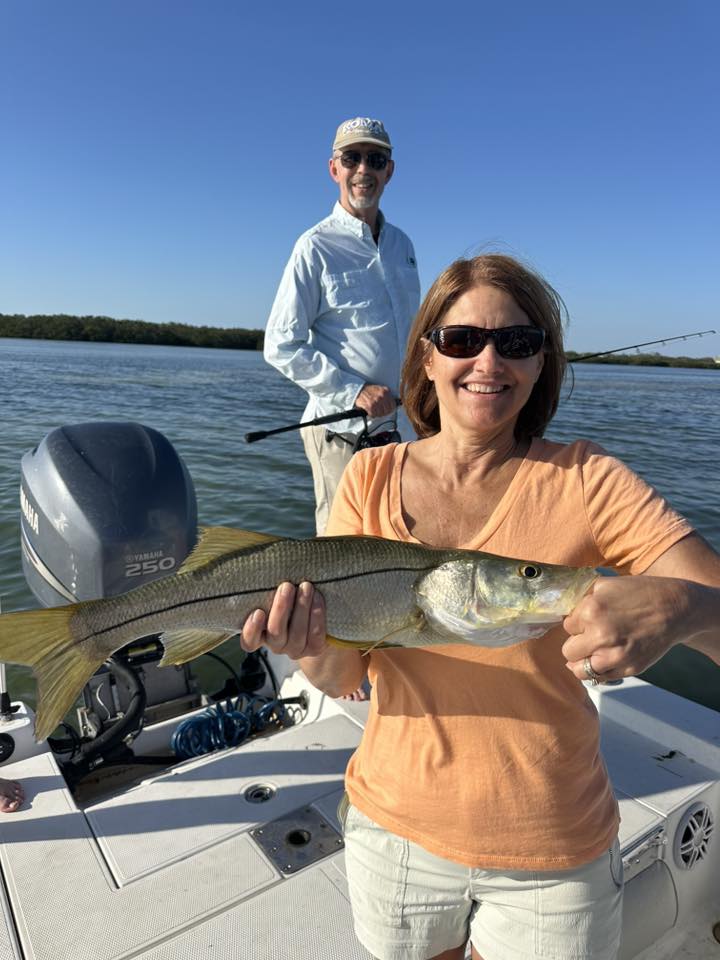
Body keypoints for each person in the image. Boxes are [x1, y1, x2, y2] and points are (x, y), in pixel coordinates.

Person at [242, 254, 720, 960]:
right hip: (393, 826)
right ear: (426, 359)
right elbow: (344, 676)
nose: (488, 361)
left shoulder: (587, 478)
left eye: (517, 342)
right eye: (462, 340)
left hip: (554, 850)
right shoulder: (369, 477)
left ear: (540, 363)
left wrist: (680, 608)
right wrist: (305, 641)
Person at [263, 115, 421, 536]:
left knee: (400, 541)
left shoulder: (403, 245)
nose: (363, 170)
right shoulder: (314, 246)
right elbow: (281, 343)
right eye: (352, 158)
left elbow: (411, 332)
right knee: (340, 547)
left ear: (390, 170)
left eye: (375, 158)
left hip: (403, 432)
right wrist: (354, 391)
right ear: (334, 169)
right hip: (342, 433)